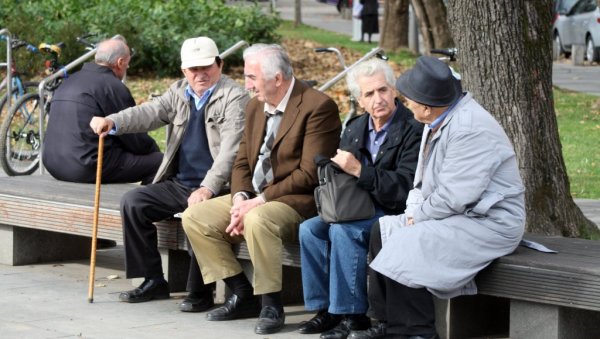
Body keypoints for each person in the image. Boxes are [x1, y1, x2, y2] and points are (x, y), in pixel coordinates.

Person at [349, 56, 526, 339]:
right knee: (380, 231)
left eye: (409, 100)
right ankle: (387, 323)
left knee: (410, 241)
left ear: (426, 107)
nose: (405, 103)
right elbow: (420, 182)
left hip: (490, 221)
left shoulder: (469, 128)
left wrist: (416, 219)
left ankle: (417, 332)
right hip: (456, 214)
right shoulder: (437, 119)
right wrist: (411, 213)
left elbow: (455, 197)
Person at [181, 43, 342, 335]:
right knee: (195, 217)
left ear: (277, 78)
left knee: (258, 219)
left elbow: (309, 174)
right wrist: (241, 197)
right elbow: (242, 159)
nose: (247, 84)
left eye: (252, 77)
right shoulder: (255, 104)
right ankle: (241, 292)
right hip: (253, 196)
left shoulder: (318, 106)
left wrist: (260, 201)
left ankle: (271, 304)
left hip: (295, 201)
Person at [89, 37, 249, 311]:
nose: (200, 74)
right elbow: (149, 113)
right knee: (134, 202)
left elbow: (230, 152)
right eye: (193, 69)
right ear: (183, 71)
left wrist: (207, 189)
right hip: (180, 183)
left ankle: (200, 292)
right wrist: (113, 121)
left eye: (206, 66)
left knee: (196, 214)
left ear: (219, 64)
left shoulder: (235, 97)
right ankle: (153, 280)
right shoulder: (179, 92)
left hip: (219, 187)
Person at [297, 58, 423, 339]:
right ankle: (326, 311)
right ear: (359, 99)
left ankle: (353, 317)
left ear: (394, 91)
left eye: (383, 90)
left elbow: (404, 186)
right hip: (354, 205)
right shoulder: (354, 127)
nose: (378, 99)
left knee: (344, 231)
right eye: (369, 94)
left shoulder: (412, 129)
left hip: (392, 210)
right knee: (310, 230)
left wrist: (358, 170)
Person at [43, 38, 162, 184]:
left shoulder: (69, 81)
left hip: (53, 163)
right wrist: (155, 152)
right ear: (120, 63)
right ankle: (142, 203)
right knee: (161, 162)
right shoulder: (112, 86)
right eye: (127, 63)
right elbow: (134, 138)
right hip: (87, 167)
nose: (127, 67)